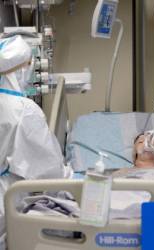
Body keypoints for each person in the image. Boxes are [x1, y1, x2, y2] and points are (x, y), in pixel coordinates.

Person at [0, 35, 71, 249]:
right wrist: (74, 179)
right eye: (30, 66)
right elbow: (48, 174)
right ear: (19, 71)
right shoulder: (22, 110)